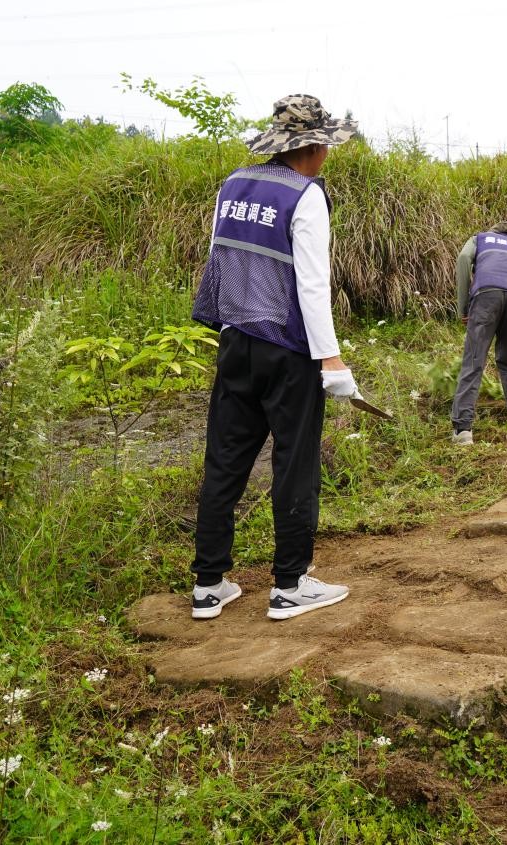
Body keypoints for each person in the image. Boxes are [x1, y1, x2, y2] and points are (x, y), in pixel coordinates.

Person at [188, 94, 357, 622]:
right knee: (295, 461)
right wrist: (329, 359)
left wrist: (230, 325)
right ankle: (290, 585)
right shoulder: (306, 196)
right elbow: (313, 284)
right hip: (289, 350)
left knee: (225, 461)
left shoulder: (233, 185)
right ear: (313, 146)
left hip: (236, 341)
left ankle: (209, 585)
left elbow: (221, 260)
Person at [449, 221, 507, 446]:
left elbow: (462, 260)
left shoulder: (480, 238)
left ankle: (463, 429)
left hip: (486, 294)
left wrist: (463, 307)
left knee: (474, 360)